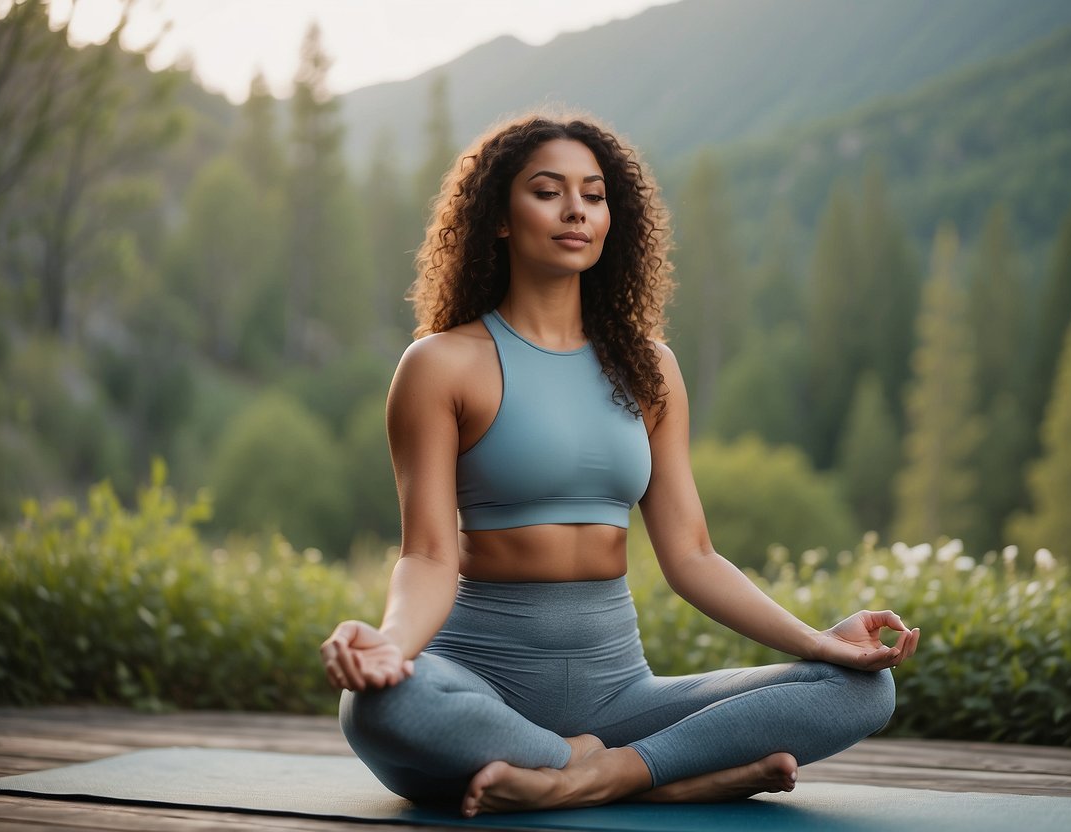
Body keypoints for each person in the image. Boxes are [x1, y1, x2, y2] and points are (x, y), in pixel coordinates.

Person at [320, 113, 919, 818]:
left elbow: (692, 555)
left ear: (612, 218)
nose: (575, 209)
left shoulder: (648, 370)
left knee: (859, 690)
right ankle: (656, 774)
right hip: (479, 685)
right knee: (382, 708)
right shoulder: (440, 365)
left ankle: (587, 776)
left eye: (594, 194)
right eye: (547, 191)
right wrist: (390, 650)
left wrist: (819, 641)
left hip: (619, 696)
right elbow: (425, 554)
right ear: (500, 217)